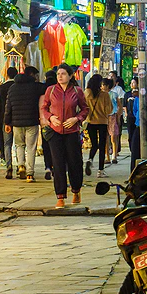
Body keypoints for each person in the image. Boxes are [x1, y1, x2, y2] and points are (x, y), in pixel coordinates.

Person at [40, 64, 88, 208]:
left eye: (63, 74)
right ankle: (60, 196)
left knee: (75, 162)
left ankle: (76, 190)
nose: (60, 76)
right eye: (58, 74)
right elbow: (44, 107)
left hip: (72, 132)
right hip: (55, 132)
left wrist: (76, 119)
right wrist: (50, 118)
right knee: (58, 163)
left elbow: (85, 109)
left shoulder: (77, 91)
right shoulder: (51, 90)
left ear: (70, 75)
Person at [4, 66, 47, 182]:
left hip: (16, 122)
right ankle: (29, 174)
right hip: (31, 121)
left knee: (19, 145)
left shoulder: (12, 88)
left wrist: (7, 122)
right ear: (32, 76)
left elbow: (8, 106)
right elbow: (46, 88)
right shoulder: (34, 87)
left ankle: (21, 165)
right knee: (31, 147)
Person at [84, 74, 111, 178]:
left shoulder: (86, 93)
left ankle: (90, 159)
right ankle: (100, 170)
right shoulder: (105, 95)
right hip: (102, 122)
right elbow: (108, 110)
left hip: (90, 122)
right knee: (102, 145)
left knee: (94, 144)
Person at [0, 66, 18, 178]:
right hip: (17, 119)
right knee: (19, 144)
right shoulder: (18, 87)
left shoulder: (2, 88)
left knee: (7, 144)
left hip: (4, 119)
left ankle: (9, 165)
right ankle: (20, 165)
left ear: (7, 75)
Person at [41, 69, 57, 180]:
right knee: (56, 148)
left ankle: (47, 167)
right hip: (56, 124)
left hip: (44, 124)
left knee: (46, 147)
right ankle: (55, 167)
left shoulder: (42, 95)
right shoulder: (58, 94)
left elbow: (40, 110)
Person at [104, 78, 123, 164]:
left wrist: (118, 116)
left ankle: (114, 155)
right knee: (106, 138)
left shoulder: (114, 94)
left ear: (107, 86)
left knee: (113, 137)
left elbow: (119, 106)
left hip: (112, 116)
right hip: (104, 117)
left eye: (103, 85)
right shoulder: (101, 95)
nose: (101, 87)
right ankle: (107, 156)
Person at [108, 71, 126, 161]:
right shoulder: (105, 92)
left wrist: (120, 113)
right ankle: (110, 151)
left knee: (116, 133)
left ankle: (116, 150)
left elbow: (120, 103)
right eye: (109, 76)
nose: (111, 78)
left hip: (115, 115)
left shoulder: (118, 90)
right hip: (107, 116)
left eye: (112, 76)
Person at [125, 77, 138, 150]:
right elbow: (125, 105)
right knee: (131, 133)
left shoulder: (140, 93)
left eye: (134, 83)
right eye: (131, 83)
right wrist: (126, 114)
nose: (132, 84)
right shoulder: (128, 94)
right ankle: (132, 148)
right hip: (130, 116)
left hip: (138, 117)